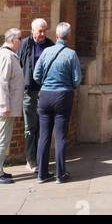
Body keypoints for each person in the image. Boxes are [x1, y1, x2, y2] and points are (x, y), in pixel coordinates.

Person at [33, 21, 82, 183]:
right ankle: (60, 174)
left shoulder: (46, 51)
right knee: (60, 137)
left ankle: (42, 173)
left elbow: (36, 75)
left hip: (45, 95)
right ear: (69, 37)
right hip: (62, 96)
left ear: (56, 36)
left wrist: (47, 84)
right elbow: (77, 79)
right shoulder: (71, 54)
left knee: (44, 136)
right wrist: (67, 85)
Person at [0, 27, 25, 185]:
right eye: (19, 38)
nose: (21, 41)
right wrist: (4, 105)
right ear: (12, 40)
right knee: (2, 139)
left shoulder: (7, 55)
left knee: (2, 138)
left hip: (6, 106)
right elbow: (2, 83)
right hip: (5, 107)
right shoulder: (6, 56)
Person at [18, 17, 54, 170]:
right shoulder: (25, 44)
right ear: (32, 31)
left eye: (44, 31)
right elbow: (19, 65)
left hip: (45, 91)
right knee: (30, 126)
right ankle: (31, 159)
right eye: (40, 31)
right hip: (29, 91)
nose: (42, 34)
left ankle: (41, 158)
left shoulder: (50, 45)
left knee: (43, 126)